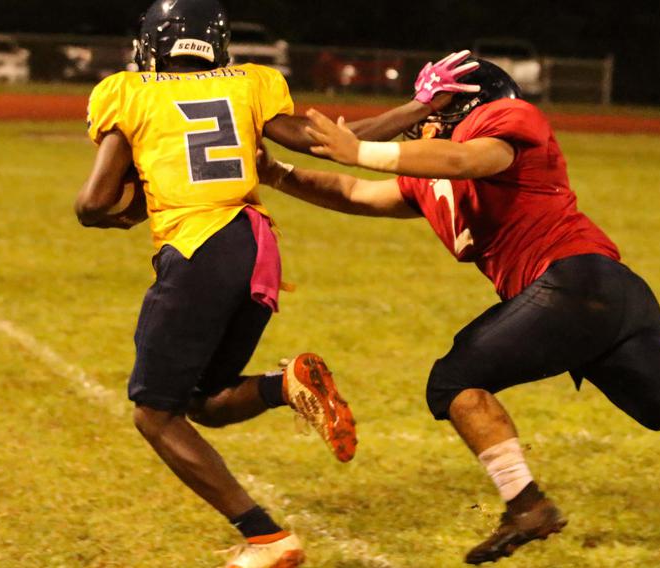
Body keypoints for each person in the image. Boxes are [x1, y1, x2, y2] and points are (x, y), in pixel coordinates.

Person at [257, 53, 660, 565]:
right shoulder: (432, 172)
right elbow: (356, 192)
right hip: (602, 297)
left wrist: (362, 151)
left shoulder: (505, 121)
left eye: (431, 115)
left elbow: (468, 161)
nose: (420, 128)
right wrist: (279, 174)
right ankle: (526, 505)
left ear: (466, 105)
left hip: (572, 282)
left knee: (454, 380)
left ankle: (526, 505)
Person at [72, 1, 439, 566]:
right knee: (206, 402)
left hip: (197, 247)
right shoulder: (250, 83)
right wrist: (419, 107)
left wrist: (124, 209)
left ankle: (265, 536)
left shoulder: (127, 91)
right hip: (256, 247)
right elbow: (327, 141)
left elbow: (93, 201)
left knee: (154, 413)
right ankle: (285, 384)